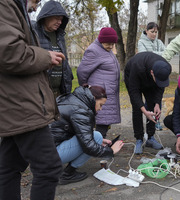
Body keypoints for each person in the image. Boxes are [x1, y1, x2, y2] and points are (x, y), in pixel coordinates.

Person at [0, 0, 67, 198]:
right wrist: (46, 57)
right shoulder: (5, 4)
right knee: (49, 167)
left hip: (15, 101)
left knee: (9, 166)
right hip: (22, 103)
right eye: (37, 1)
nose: (36, 7)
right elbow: (10, 53)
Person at [50, 85, 124, 185]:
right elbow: (88, 146)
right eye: (101, 105)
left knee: (95, 137)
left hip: (41, 151)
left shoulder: (73, 99)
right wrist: (111, 151)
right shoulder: (81, 110)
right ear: (93, 99)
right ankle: (67, 174)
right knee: (96, 136)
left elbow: (70, 129)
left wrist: (94, 139)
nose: (100, 109)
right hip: (49, 156)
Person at [124, 52, 172, 154]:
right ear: (152, 72)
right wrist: (143, 110)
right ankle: (139, 139)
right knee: (137, 108)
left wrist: (157, 104)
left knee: (151, 105)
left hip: (149, 81)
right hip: (132, 77)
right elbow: (134, 92)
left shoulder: (165, 67)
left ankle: (150, 137)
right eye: (157, 79)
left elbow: (160, 87)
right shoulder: (137, 67)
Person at [77, 27, 120, 138]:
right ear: (101, 40)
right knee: (101, 120)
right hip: (100, 92)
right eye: (108, 44)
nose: (110, 47)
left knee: (104, 121)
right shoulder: (94, 50)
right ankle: (98, 145)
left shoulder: (106, 50)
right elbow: (82, 71)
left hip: (108, 91)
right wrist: (85, 87)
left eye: (112, 44)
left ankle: (99, 143)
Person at [32, 0, 73, 98]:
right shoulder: (33, 32)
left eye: (61, 19)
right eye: (56, 18)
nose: (59, 22)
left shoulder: (60, 36)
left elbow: (65, 61)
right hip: (40, 94)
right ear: (46, 17)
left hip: (59, 93)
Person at [138, 22, 166, 131]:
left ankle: (157, 120)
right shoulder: (141, 42)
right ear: (146, 30)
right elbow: (144, 56)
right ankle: (150, 121)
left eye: (156, 32)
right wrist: (158, 54)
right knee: (149, 100)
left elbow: (166, 53)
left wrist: (153, 53)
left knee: (157, 99)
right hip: (146, 75)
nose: (154, 34)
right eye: (152, 31)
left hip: (158, 73)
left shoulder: (159, 42)